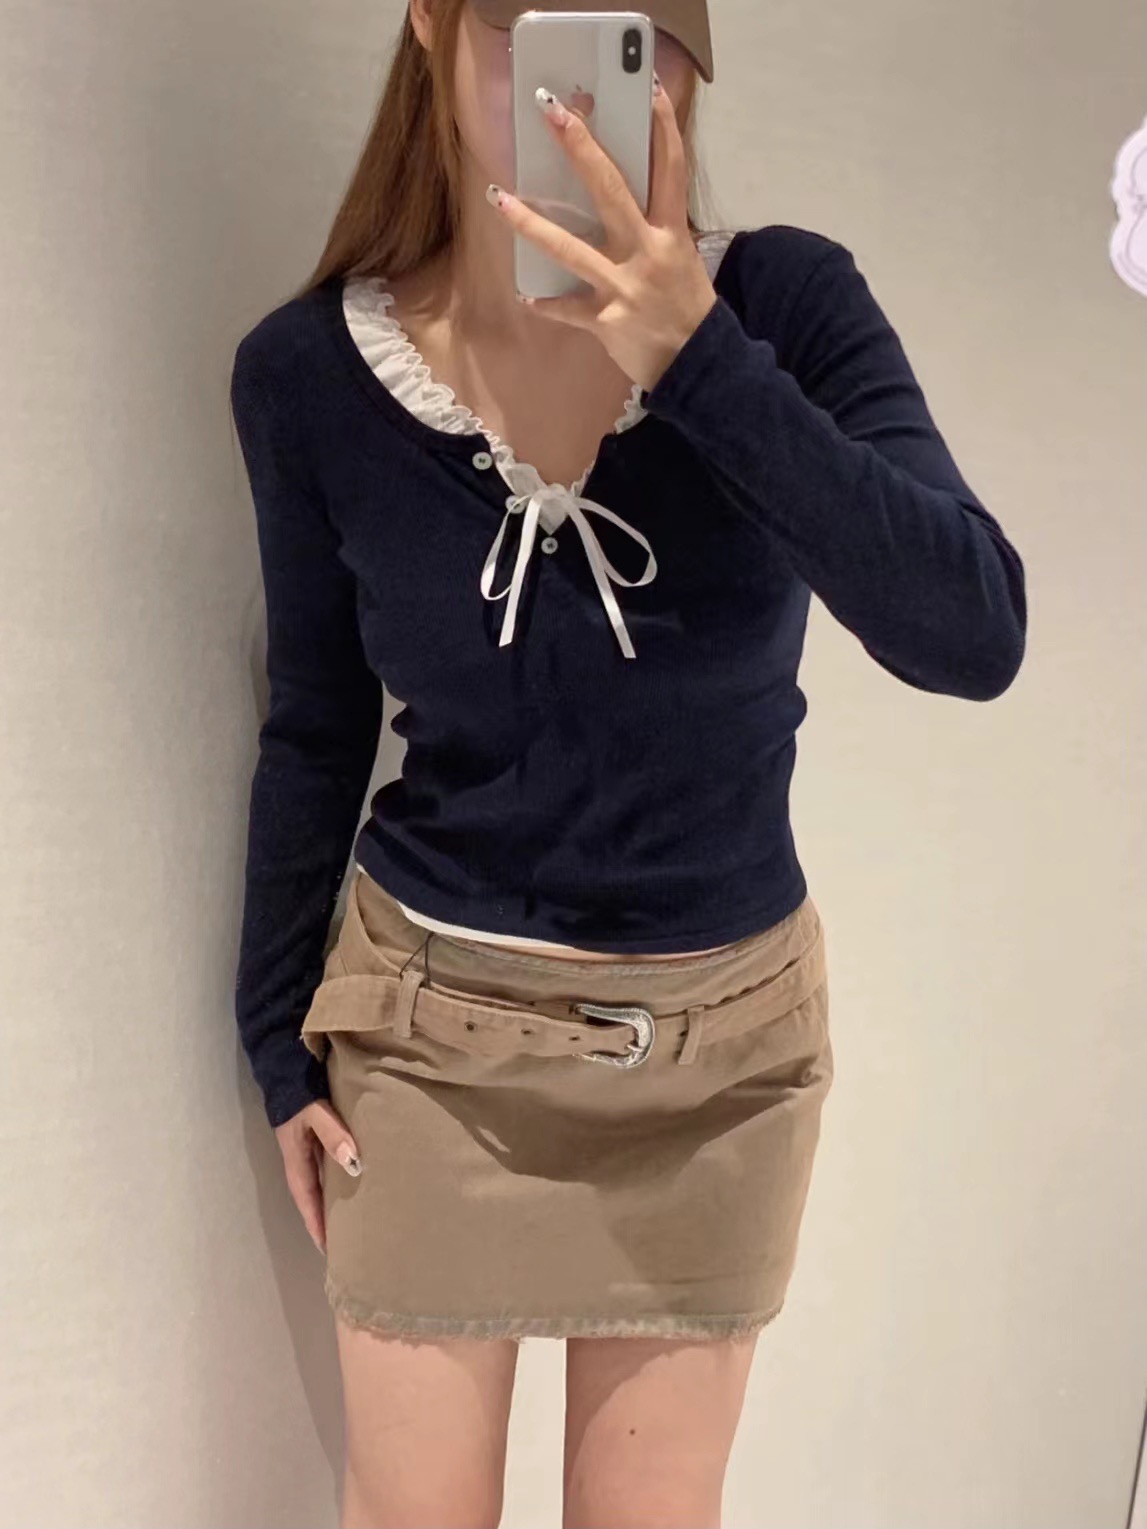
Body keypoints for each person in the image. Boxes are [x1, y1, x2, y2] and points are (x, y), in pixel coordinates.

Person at [228, 1, 1028, 1523]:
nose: (587, 96)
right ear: (432, 20)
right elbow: (318, 724)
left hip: (723, 1067)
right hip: (433, 1047)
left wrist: (699, 358)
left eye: (637, 41)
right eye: (542, 28)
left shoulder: (784, 308)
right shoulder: (310, 377)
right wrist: (274, 1035)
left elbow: (972, 632)